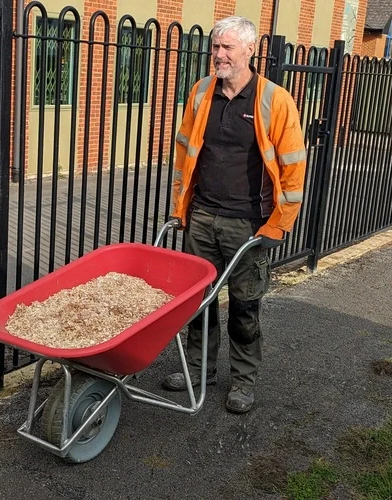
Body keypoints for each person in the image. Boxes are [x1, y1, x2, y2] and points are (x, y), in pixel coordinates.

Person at [162, 15, 306, 413]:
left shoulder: (274, 100)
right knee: (198, 302)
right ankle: (198, 370)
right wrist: (181, 207)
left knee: (244, 307)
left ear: (250, 49)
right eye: (216, 47)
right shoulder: (201, 92)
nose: (219, 55)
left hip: (248, 224)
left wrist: (279, 223)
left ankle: (243, 381)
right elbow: (185, 153)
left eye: (227, 47)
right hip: (203, 216)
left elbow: (294, 167)